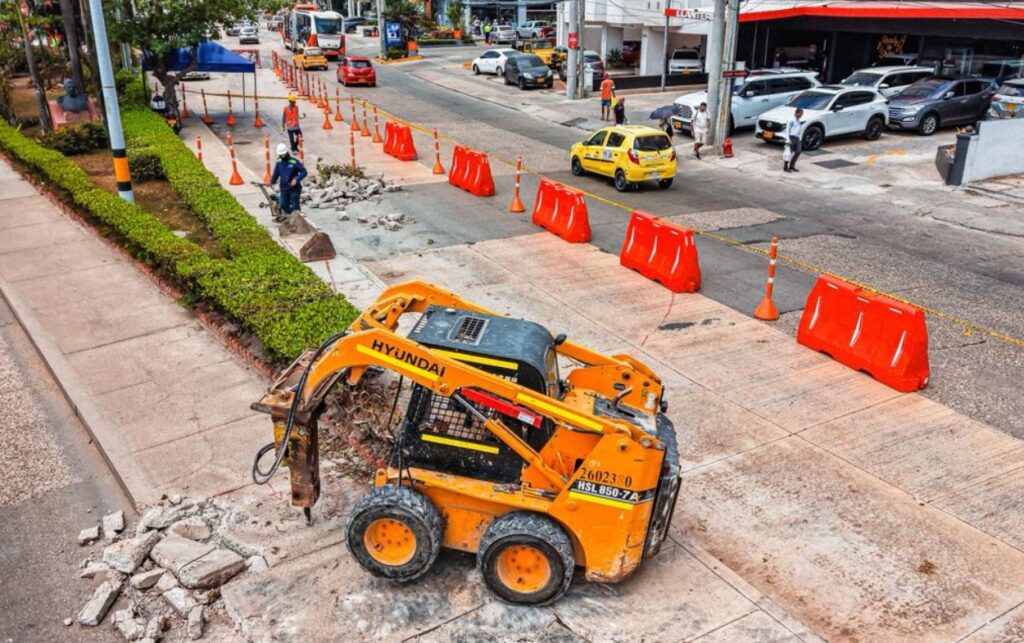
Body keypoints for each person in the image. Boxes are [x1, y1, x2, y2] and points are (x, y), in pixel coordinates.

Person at [270, 143, 308, 215]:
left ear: (287, 152)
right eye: (280, 154)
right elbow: (276, 173)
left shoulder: (294, 162)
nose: (282, 156)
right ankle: (292, 216)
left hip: (294, 189)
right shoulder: (279, 161)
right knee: (283, 205)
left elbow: (304, 172)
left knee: (295, 206)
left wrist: (296, 179)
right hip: (284, 188)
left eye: (283, 154)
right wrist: (271, 182)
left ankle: (297, 217)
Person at [785, 107, 804, 172]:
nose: (801, 115)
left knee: (798, 151)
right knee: (788, 153)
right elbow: (787, 130)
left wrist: (800, 138)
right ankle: (785, 167)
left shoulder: (798, 120)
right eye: (801, 114)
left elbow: (798, 130)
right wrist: (787, 139)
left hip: (797, 138)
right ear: (797, 112)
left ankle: (791, 166)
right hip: (791, 137)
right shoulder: (791, 119)